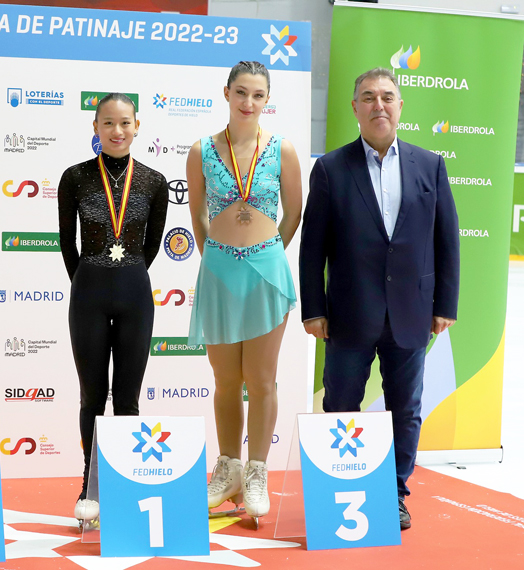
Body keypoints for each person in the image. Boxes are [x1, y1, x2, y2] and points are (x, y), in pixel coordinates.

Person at [299, 67, 459, 531]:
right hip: (348, 314)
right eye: (368, 97)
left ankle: (394, 490)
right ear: (355, 108)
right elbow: (314, 247)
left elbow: (447, 240)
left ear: (400, 105)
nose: (378, 105)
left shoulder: (430, 165)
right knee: (341, 406)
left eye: (387, 96)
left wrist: (445, 304)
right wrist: (314, 308)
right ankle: (336, 490)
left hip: (412, 313)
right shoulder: (330, 168)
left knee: (404, 408)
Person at [186, 61, 302, 524]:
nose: (248, 103)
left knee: (262, 379)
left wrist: (267, 252)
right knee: (225, 380)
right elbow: (197, 213)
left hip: (265, 272)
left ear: (267, 99)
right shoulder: (200, 150)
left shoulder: (282, 149)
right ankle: (228, 467)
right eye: (241, 92)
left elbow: (294, 212)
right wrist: (214, 255)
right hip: (217, 272)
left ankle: (257, 472)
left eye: (258, 95)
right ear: (227, 93)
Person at [58, 93, 168, 524]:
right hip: (88, 292)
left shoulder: (155, 181)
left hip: (135, 294)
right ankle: (90, 485)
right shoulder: (74, 177)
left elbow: (152, 244)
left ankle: (122, 485)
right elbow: (68, 243)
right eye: (108, 123)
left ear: (137, 126)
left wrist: (126, 274)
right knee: (91, 397)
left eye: (125, 123)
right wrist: (87, 278)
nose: (117, 131)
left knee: (127, 399)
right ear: (95, 127)